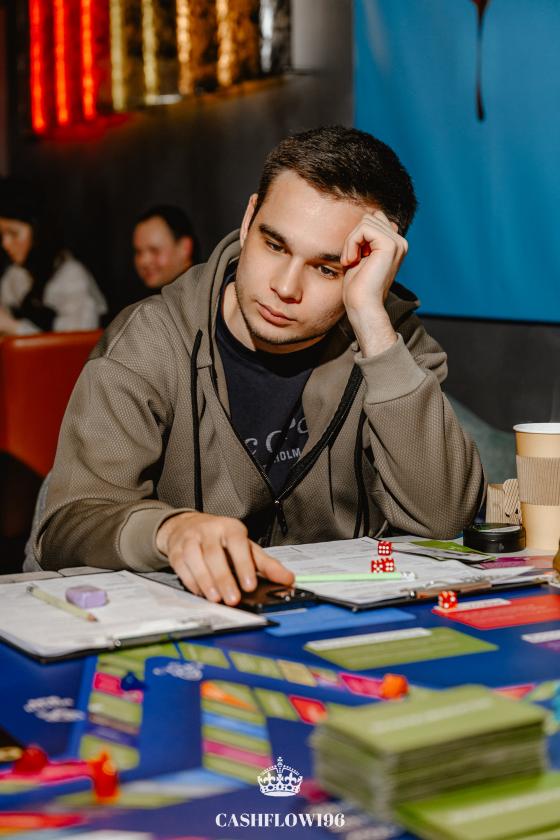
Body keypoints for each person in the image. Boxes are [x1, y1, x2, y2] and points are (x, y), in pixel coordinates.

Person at [34, 126, 484, 604]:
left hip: (335, 622)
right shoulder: (149, 340)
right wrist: (169, 530)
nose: (285, 288)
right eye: (275, 245)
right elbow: (67, 526)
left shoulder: (393, 341)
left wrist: (373, 324)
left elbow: (445, 518)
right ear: (250, 219)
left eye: (327, 269)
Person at [0, 177, 107, 335]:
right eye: (2, 235)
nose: (5, 244)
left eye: (13, 234)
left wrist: (13, 327)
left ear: (37, 231)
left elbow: (77, 341)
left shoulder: (70, 275)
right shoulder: (15, 276)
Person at [133, 205, 199, 291]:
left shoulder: (204, 293)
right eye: (138, 252)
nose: (144, 261)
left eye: (154, 251)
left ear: (185, 247)